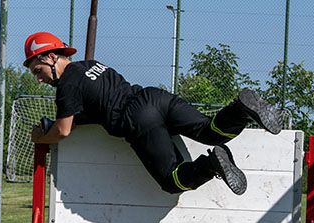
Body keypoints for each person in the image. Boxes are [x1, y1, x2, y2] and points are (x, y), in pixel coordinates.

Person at [23, 31, 284, 196]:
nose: (39, 80)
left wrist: (40, 138)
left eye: (38, 71)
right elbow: (92, 108)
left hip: (137, 118)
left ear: (49, 58)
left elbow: (63, 130)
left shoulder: (67, 85)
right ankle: (242, 109)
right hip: (154, 96)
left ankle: (211, 164)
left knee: (172, 181)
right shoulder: (90, 65)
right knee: (210, 131)